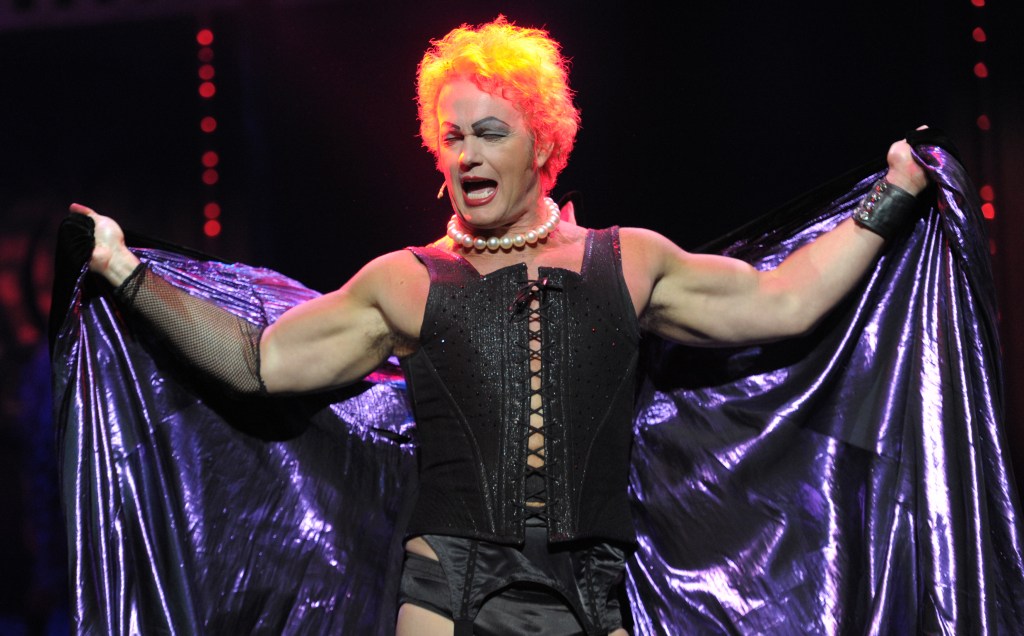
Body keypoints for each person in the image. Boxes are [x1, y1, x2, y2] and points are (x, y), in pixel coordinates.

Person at [70, 16, 928, 636]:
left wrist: (893, 198)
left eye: (490, 131)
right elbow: (260, 363)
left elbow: (783, 302)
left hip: (592, 595)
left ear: (544, 144)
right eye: (451, 137)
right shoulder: (406, 281)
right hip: (449, 594)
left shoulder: (626, 261)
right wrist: (120, 268)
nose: (467, 153)